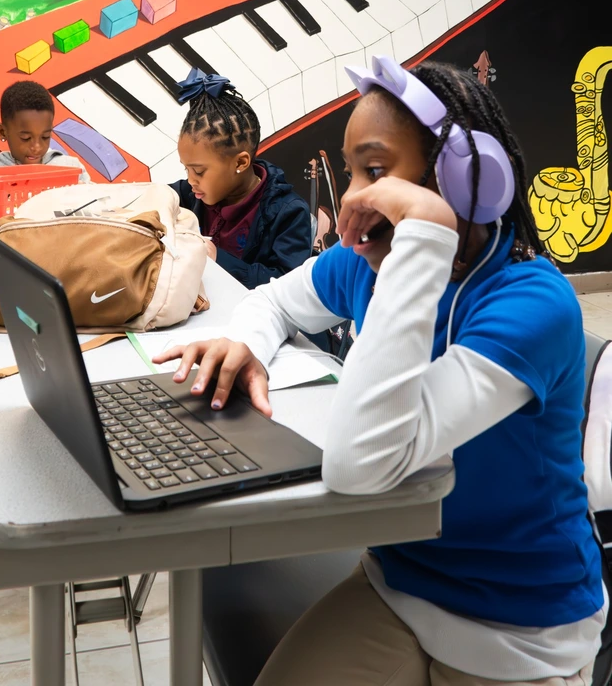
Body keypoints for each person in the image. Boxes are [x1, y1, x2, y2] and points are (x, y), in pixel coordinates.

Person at [157, 56, 606, 685]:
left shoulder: (532, 306)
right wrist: (249, 342)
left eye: (374, 171)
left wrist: (424, 235)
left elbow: (359, 463)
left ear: (464, 179)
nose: (353, 200)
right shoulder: (370, 264)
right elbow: (276, 300)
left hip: (520, 626)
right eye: (351, 173)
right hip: (402, 582)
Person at [169, 68, 311, 287]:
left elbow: (287, 285)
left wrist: (218, 258)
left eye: (198, 171)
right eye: (185, 169)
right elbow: (157, 195)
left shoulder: (288, 213)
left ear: (240, 163)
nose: (190, 180)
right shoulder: (192, 192)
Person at [0, 82, 89, 177]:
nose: (37, 147)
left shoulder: (70, 168)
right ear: (2, 132)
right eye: (26, 138)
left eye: (45, 137)